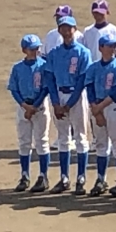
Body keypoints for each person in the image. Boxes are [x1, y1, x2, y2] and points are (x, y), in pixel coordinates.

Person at [43, 15, 92, 194]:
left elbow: (82, 80)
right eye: (63, 28)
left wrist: (70, 103)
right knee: (63, 138)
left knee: (80, 136)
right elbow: (49, 78)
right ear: (59, 30)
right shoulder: (54, 53)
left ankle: (81, 177)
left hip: (76, 96)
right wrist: (56, 103)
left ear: (75, 29)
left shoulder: (83, 52)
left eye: (69, 28)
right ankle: (64, 177)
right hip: (59, 95)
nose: (66, 31)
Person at [84, 34, 116, 197]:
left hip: (113, 106)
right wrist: (95, 108)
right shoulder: (93, 67)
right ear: (101, 48)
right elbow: (89, 88)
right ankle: (101, 179)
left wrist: (98, 109)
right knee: (101, 144)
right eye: (109, 46)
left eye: (114, 46)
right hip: (97, 106)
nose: (113, 49)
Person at [8, 34, 50, 192]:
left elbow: (46, 88)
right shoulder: (17, 68)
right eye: (31, 49)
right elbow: (14, 89)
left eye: (36, 48)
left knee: (42, 141)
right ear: (24, 50)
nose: (35, 51)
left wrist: (35, 106)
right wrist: (25, 106)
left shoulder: (44, 65)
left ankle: (43, 176)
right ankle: (25, 175)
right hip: (24, 106)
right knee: (24, 142)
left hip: (40, 106)